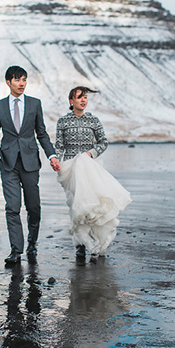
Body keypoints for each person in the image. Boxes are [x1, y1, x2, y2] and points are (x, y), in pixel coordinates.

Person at [0, 65, 60, 265]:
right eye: (17, 80)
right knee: (12, 207)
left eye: (24, 79)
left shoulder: (34, 104)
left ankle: (32, 242)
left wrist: (52, 156)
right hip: (8, 163)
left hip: (30, 162)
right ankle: (16, 250)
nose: (21, 83)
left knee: (33, 207)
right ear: (8, 82)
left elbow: (41, 133)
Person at [54, 86, 131, 261]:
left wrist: (91, 153)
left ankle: (97, 242)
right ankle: (80, 245)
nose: (83, 100)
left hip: (90, 168)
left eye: (85, 97)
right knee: (76, 205)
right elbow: (59, 146)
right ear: (71, 101)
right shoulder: (63, 122)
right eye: (79, 97)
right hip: (70, 170)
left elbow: (103, 142)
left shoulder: (93, 120)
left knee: (94, 205)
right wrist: (56, 160)